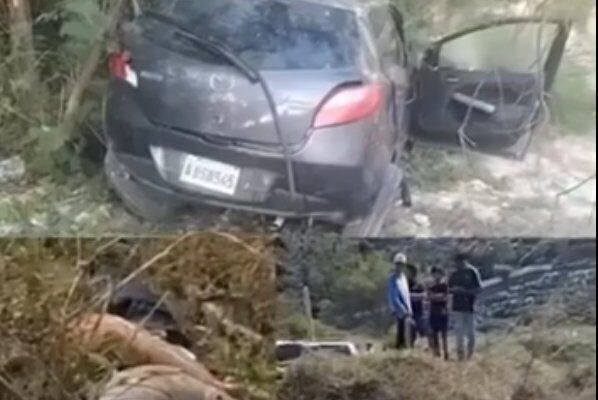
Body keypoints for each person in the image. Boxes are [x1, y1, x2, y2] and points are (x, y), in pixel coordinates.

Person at [448, 253, 483, 361]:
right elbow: (448, 288)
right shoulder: (454, 274)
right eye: (456, 262)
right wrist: (454, 290)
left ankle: (470, 355)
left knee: (471, 333)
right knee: (459, 333)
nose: (458, 264)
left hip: (470, 306)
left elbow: (479, 289)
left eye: (460, 261)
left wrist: (465, 291)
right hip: (457, 307)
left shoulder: (472, 272)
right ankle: (460, 356)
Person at [388, 252, 413, 350]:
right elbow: (394, 297)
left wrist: (409, 309)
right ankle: (398, 350)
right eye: (398, 264)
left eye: (401, 264)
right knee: (400, 332)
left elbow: (406, 295)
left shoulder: (403, 278)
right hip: (398, 310)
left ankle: (404, 349)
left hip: (406, 309)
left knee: (407, 332)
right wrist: (402, 310)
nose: (399, 267)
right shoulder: (392, 278)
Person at [428, 266, 450, 360]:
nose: (436, 275)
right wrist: (437, 297)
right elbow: (429, 297)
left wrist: (435, 297)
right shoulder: (431, 286)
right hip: (433, 311)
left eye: (438, 273)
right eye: (435, 273)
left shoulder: (445, 285)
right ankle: (437, 353)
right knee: (434, 333)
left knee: (444, 334)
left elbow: (445, 297)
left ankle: (446, 352)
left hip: (443, 311)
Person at [406, 263, 428, 348]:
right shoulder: (405, 283)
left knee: (422, 331)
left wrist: (411, 296)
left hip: (419, 311)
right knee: (409, 332)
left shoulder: (419, 284)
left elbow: (424, 295)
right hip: (408, 311)